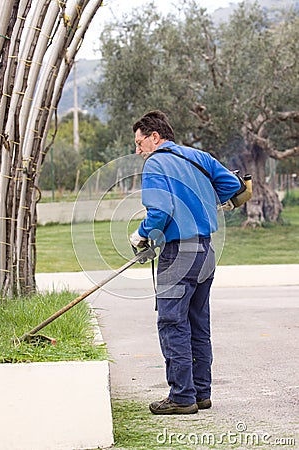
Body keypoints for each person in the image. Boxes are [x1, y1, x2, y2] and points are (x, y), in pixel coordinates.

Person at [129, 110, 241, 415]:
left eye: (140, 143)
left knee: (172, 323)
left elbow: (160, 211)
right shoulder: (197, 156)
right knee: (197, 322)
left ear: (155, 137)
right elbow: (233, 187)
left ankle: (181, 397)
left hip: (178, 254)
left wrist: (140, 236)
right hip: (206, 251)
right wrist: (202, 203)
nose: (138, 151)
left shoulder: (156, 162)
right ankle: (201, 393)